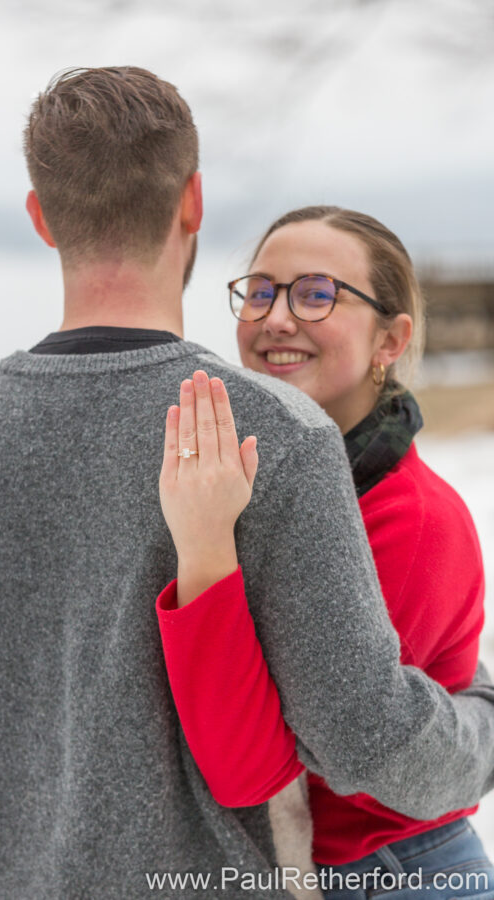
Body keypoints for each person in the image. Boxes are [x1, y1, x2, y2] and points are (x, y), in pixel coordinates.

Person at [0, 68, 494, 900]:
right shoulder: (276, 434)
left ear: (39, 216)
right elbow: (365, 738)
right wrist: (480, 729)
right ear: (192, 206)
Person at [156, 206, 494, 897]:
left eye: (317, 295)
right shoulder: (238, 480)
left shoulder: (416, 519)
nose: (277, 318)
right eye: (260, 291)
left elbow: (304, 735)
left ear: (389, 340)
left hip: (392, 872)